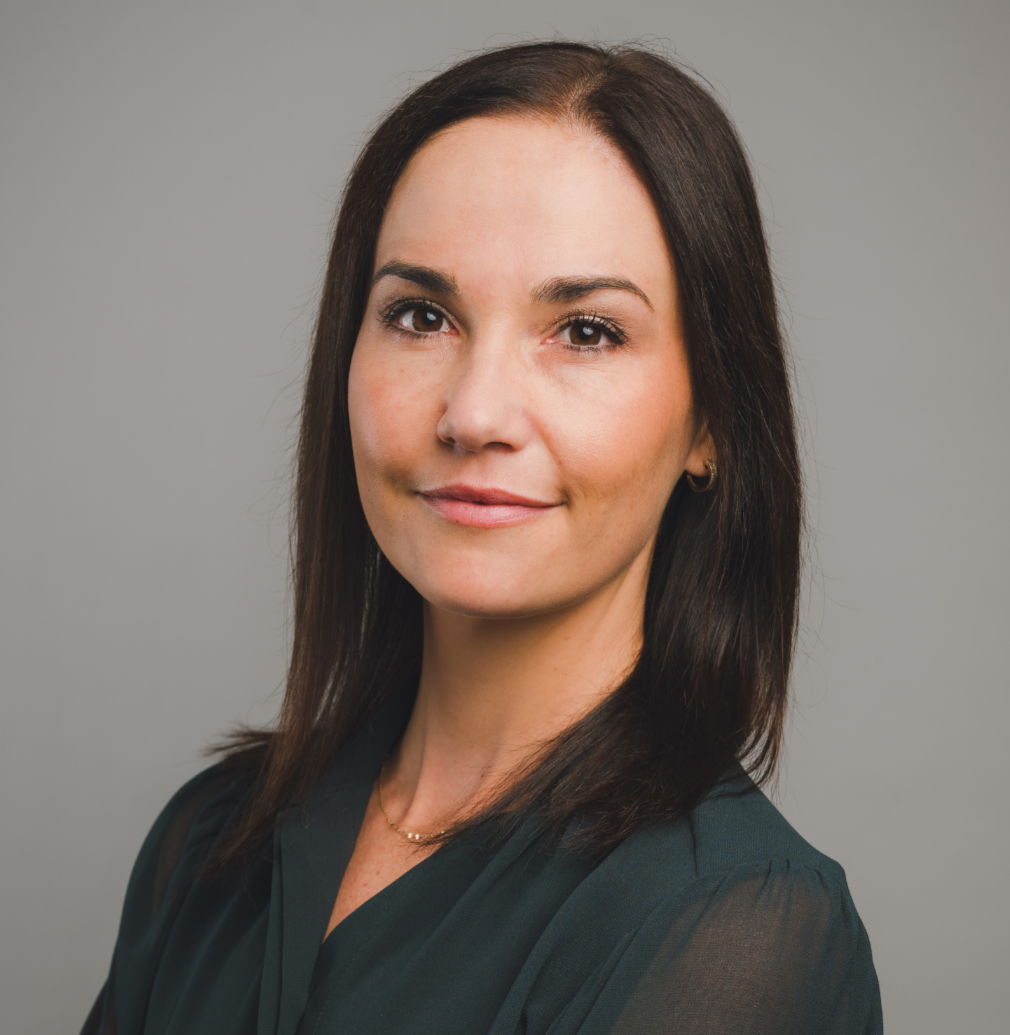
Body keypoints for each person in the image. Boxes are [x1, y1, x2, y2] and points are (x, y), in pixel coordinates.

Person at [81, 41, 882, 1035]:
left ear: (712, 419)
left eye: (585, 331)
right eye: (421, 315)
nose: (474, 412)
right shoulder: (210, 839)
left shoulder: (737, 927)